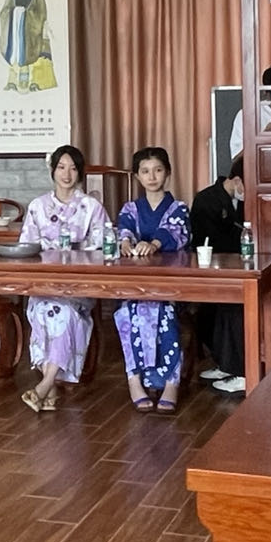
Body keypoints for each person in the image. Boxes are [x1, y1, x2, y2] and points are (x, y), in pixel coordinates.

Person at [18, 145, 107, 413]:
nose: (66, 174)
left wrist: (74, 252)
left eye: (73, 168)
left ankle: (44, 386)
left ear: (80, 172)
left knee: (65, 313)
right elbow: (27, 245)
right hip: (44, 285)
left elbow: (104, 245)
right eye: (61, 167)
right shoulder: (38, 206)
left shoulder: (91, 206)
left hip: (79, 286)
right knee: (44, 311)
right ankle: (50, 388)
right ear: (53, 170)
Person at [114, 146, 191, 414]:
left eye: (158, 170)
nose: (152, 176)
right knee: (129, 313)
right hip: (135, 284)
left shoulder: (179, 208)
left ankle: (171, 383)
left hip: (170, 284)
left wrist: (155, 243)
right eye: (145, 171)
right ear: (137, 176)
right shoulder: (131, 208)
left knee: (165, 313)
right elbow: (124, 227)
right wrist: (125, 242)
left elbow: (176, 233)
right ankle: (134, 381)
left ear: (167, 173)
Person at [190, 155, 247, 395]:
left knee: (233, 307)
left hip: (242, 269)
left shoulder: (248, 201)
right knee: (211, 312)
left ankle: (238, 368)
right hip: (212, 268)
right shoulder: (206, 200)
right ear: (237, 181)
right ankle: (227, 365)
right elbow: (206, 241)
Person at [0, 0, 51, 93]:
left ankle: (30, 83)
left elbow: (41, 16)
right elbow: (3, 13)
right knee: (14, 56)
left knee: (29, 60)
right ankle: (12, 82)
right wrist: (14, 13)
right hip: (14, 35)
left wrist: (26, 15)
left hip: (30, 37)